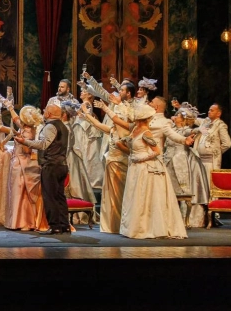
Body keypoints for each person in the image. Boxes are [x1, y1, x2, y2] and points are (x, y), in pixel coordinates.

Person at [118, 103, 187, 239]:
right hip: (134, 167)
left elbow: (157, 151)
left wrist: (140, 158)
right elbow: (129, 144)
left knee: (142, 196)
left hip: (144, 167)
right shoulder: (135, 129)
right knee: (133, 196)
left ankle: (144, 227)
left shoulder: (146, 132)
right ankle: (132, 227)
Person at [15, 104, 70, 234]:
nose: (43, 111)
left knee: (50, 196)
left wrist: (25, 142)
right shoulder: (64, 126)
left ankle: (55, 225)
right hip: (62, 164)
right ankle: (64, 225)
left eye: (45, 110)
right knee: (59, 196)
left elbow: (43, 144)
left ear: (49, 114)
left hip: (51, 165)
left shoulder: (51, 126)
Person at [80, 100, 129, 234]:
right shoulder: (112, 130)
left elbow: (130, 150)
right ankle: (113, 224)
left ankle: (120, 224)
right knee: (111, 195)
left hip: (120, 165)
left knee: (119, 195)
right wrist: (87, 114)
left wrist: (120, 147)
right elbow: (97, 124)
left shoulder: (125, 132)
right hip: (110, 165)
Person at [4, 104, 48, 231]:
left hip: (22, 163)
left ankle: (24, 221)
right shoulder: (26, 127)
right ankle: (18, 220)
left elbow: (27, 150)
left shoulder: (28, 131)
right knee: (17, 191)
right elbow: (16, 119)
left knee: (20, 192)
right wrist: (10, 108)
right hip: (17, 161)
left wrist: (20, 140)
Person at [166, 104, 209, 227]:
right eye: (176, 115)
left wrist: (198, 129)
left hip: (180, 161)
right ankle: (169, 219)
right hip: (167, 160)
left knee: (182, 190)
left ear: (183, 119)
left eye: (178, 116)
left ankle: (184, 220)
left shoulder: (184, 130)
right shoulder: (171, 129)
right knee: (168, 190)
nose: (176, 116)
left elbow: (192, 131)